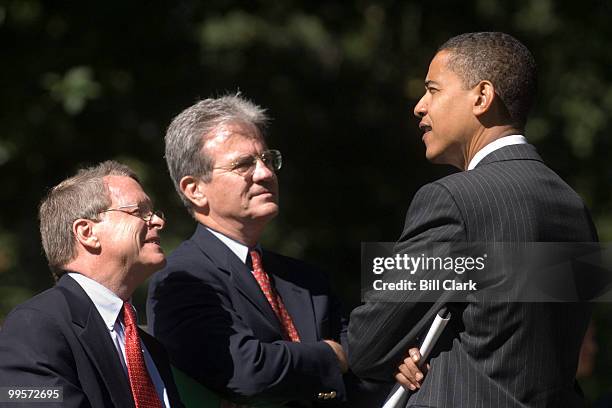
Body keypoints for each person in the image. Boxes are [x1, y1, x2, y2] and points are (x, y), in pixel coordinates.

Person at [348, 32, 599, 407]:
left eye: (433, 89)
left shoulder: (452, 199)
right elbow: (518, 333)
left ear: (482, 97)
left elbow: (366, 345)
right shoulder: (573, 206)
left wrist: (407, 347)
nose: (419, 106)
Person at [147, 94, 385, 407]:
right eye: (243, 164)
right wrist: (330, 355)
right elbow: (246, 370)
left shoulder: (306, 279)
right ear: (195, 189)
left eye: (267, 159)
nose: (265, 173)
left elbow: (362, 365)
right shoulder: (182, 278)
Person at [0, 161, 183, 407]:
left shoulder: (149, 349)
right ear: (87, 233)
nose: (158, 222)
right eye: (139, 211)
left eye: (153, 212)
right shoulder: (35, 326)